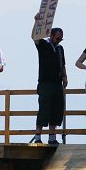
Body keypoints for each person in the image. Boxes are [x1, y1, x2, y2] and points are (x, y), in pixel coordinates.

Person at [30, 14, 68, 145]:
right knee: (44, 109)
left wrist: (65, 76)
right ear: (51, 36)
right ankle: (38, 136)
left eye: (60, 38)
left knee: (57, 109)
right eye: (57, 38)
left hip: (57, 82)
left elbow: (62, 63)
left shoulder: (60, 48)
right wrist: (37, 22)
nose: (59, 40)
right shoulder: (43, 45)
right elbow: (34, 37)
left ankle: (52, 136)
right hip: (45, 82)